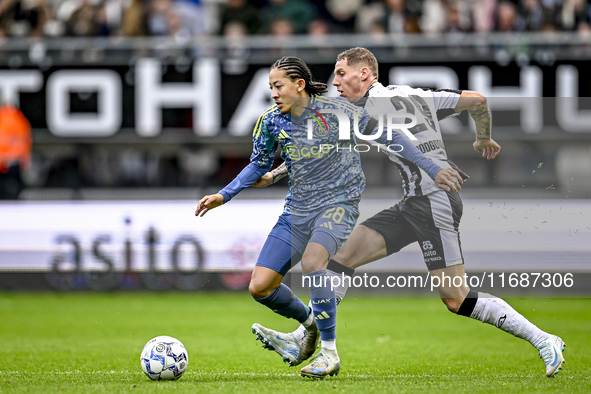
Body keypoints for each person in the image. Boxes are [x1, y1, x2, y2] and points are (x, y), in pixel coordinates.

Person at [253, 47, 566, 378]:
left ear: (365, 73)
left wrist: (273, 175)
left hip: (435, 202)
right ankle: (306, 337)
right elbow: (477, 100)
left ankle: (544, 339)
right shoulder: (416, 95)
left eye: (341, 73)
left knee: (457, 298)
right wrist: (483, 138)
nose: (335, 81)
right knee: (342, 257)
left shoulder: (363, 109)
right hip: (415, 202)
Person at [195, 55, 462, 379]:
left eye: (278, 86)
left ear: (299, 84)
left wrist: (433, 169)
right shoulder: (270, 122)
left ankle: (329, 353)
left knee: (313, 262)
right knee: (260, 287)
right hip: (297, 210)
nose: (274, 93)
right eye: (270, 88)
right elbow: (259, 163)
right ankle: (310, 325)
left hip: (338, 205)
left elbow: (393, 137)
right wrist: (225, 194)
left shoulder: (336, 113)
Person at [0, 101, 31, 200]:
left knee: (10, 189)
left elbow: (20, 140)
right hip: (10, 160)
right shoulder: (15, 118)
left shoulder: (9, 118)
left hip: (8, 161)